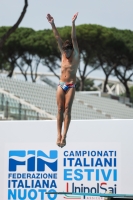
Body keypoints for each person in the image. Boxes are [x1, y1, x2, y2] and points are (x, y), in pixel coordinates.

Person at [46, 12, 80, 147]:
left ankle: (65, 136)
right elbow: (57, 37)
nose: (65, 51)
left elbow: (74, 38)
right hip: (61, 84)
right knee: (59, 109)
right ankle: (58, 135)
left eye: (68, 49)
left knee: (67, 110)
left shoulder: (76, 55)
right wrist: (52, 24)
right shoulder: (63, 55)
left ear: (72, 49)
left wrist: (73, 23)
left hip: (71, 85)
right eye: (64, 49)